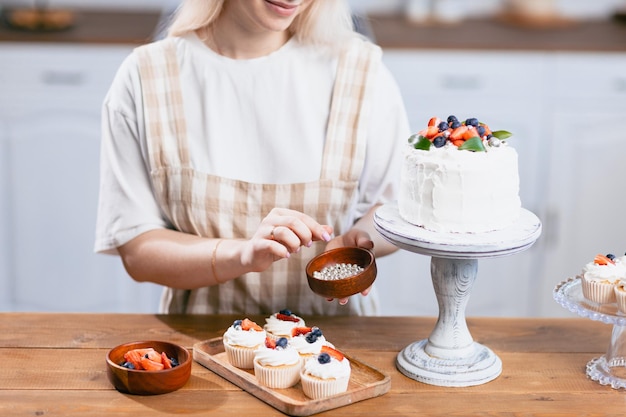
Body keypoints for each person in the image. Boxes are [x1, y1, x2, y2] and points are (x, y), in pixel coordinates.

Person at [94, 0, 410, 316]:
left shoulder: (361, 72)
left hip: (340, 351)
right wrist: (242, 256)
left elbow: (391, 210)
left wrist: (360, 240)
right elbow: (137, 250)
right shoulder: (146, 78)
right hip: (203, 349)